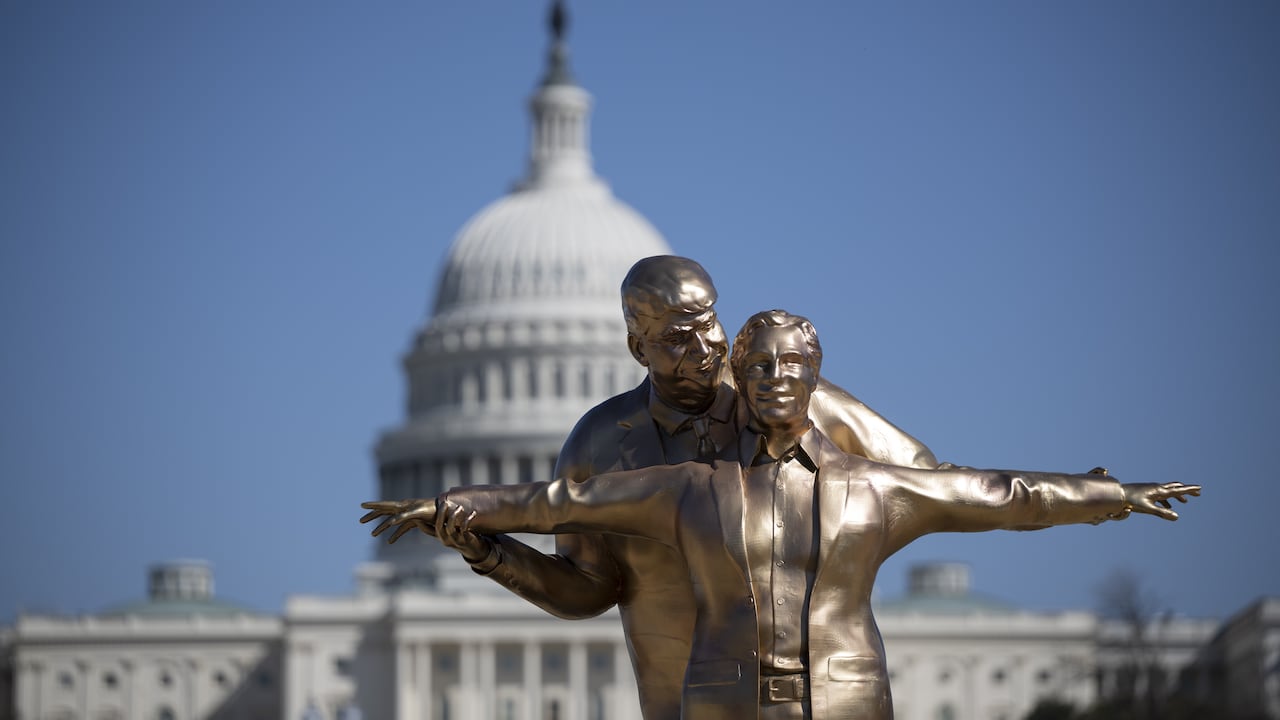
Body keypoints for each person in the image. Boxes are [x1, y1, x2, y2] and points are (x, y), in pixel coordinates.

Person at [365, 310, 1199, 720]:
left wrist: (1110, 496)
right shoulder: (688, 485)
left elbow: (999, 495)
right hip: (723, 699)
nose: (770, 380)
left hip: (844, 697)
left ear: (817, 382)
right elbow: (561, 501)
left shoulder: (876, 487)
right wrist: (457, 511)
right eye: (755, 367)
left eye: (788, 367)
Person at [365, 256, 938, 720]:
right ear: (639, 349)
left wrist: (841, 557)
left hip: (816, 695)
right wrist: (487, 551)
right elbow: (586, 590)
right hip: (682, 700)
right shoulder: (600, 443)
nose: (706, 348)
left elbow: (917, 475)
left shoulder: (788, 398)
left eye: (709, 322)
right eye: (677, 337)